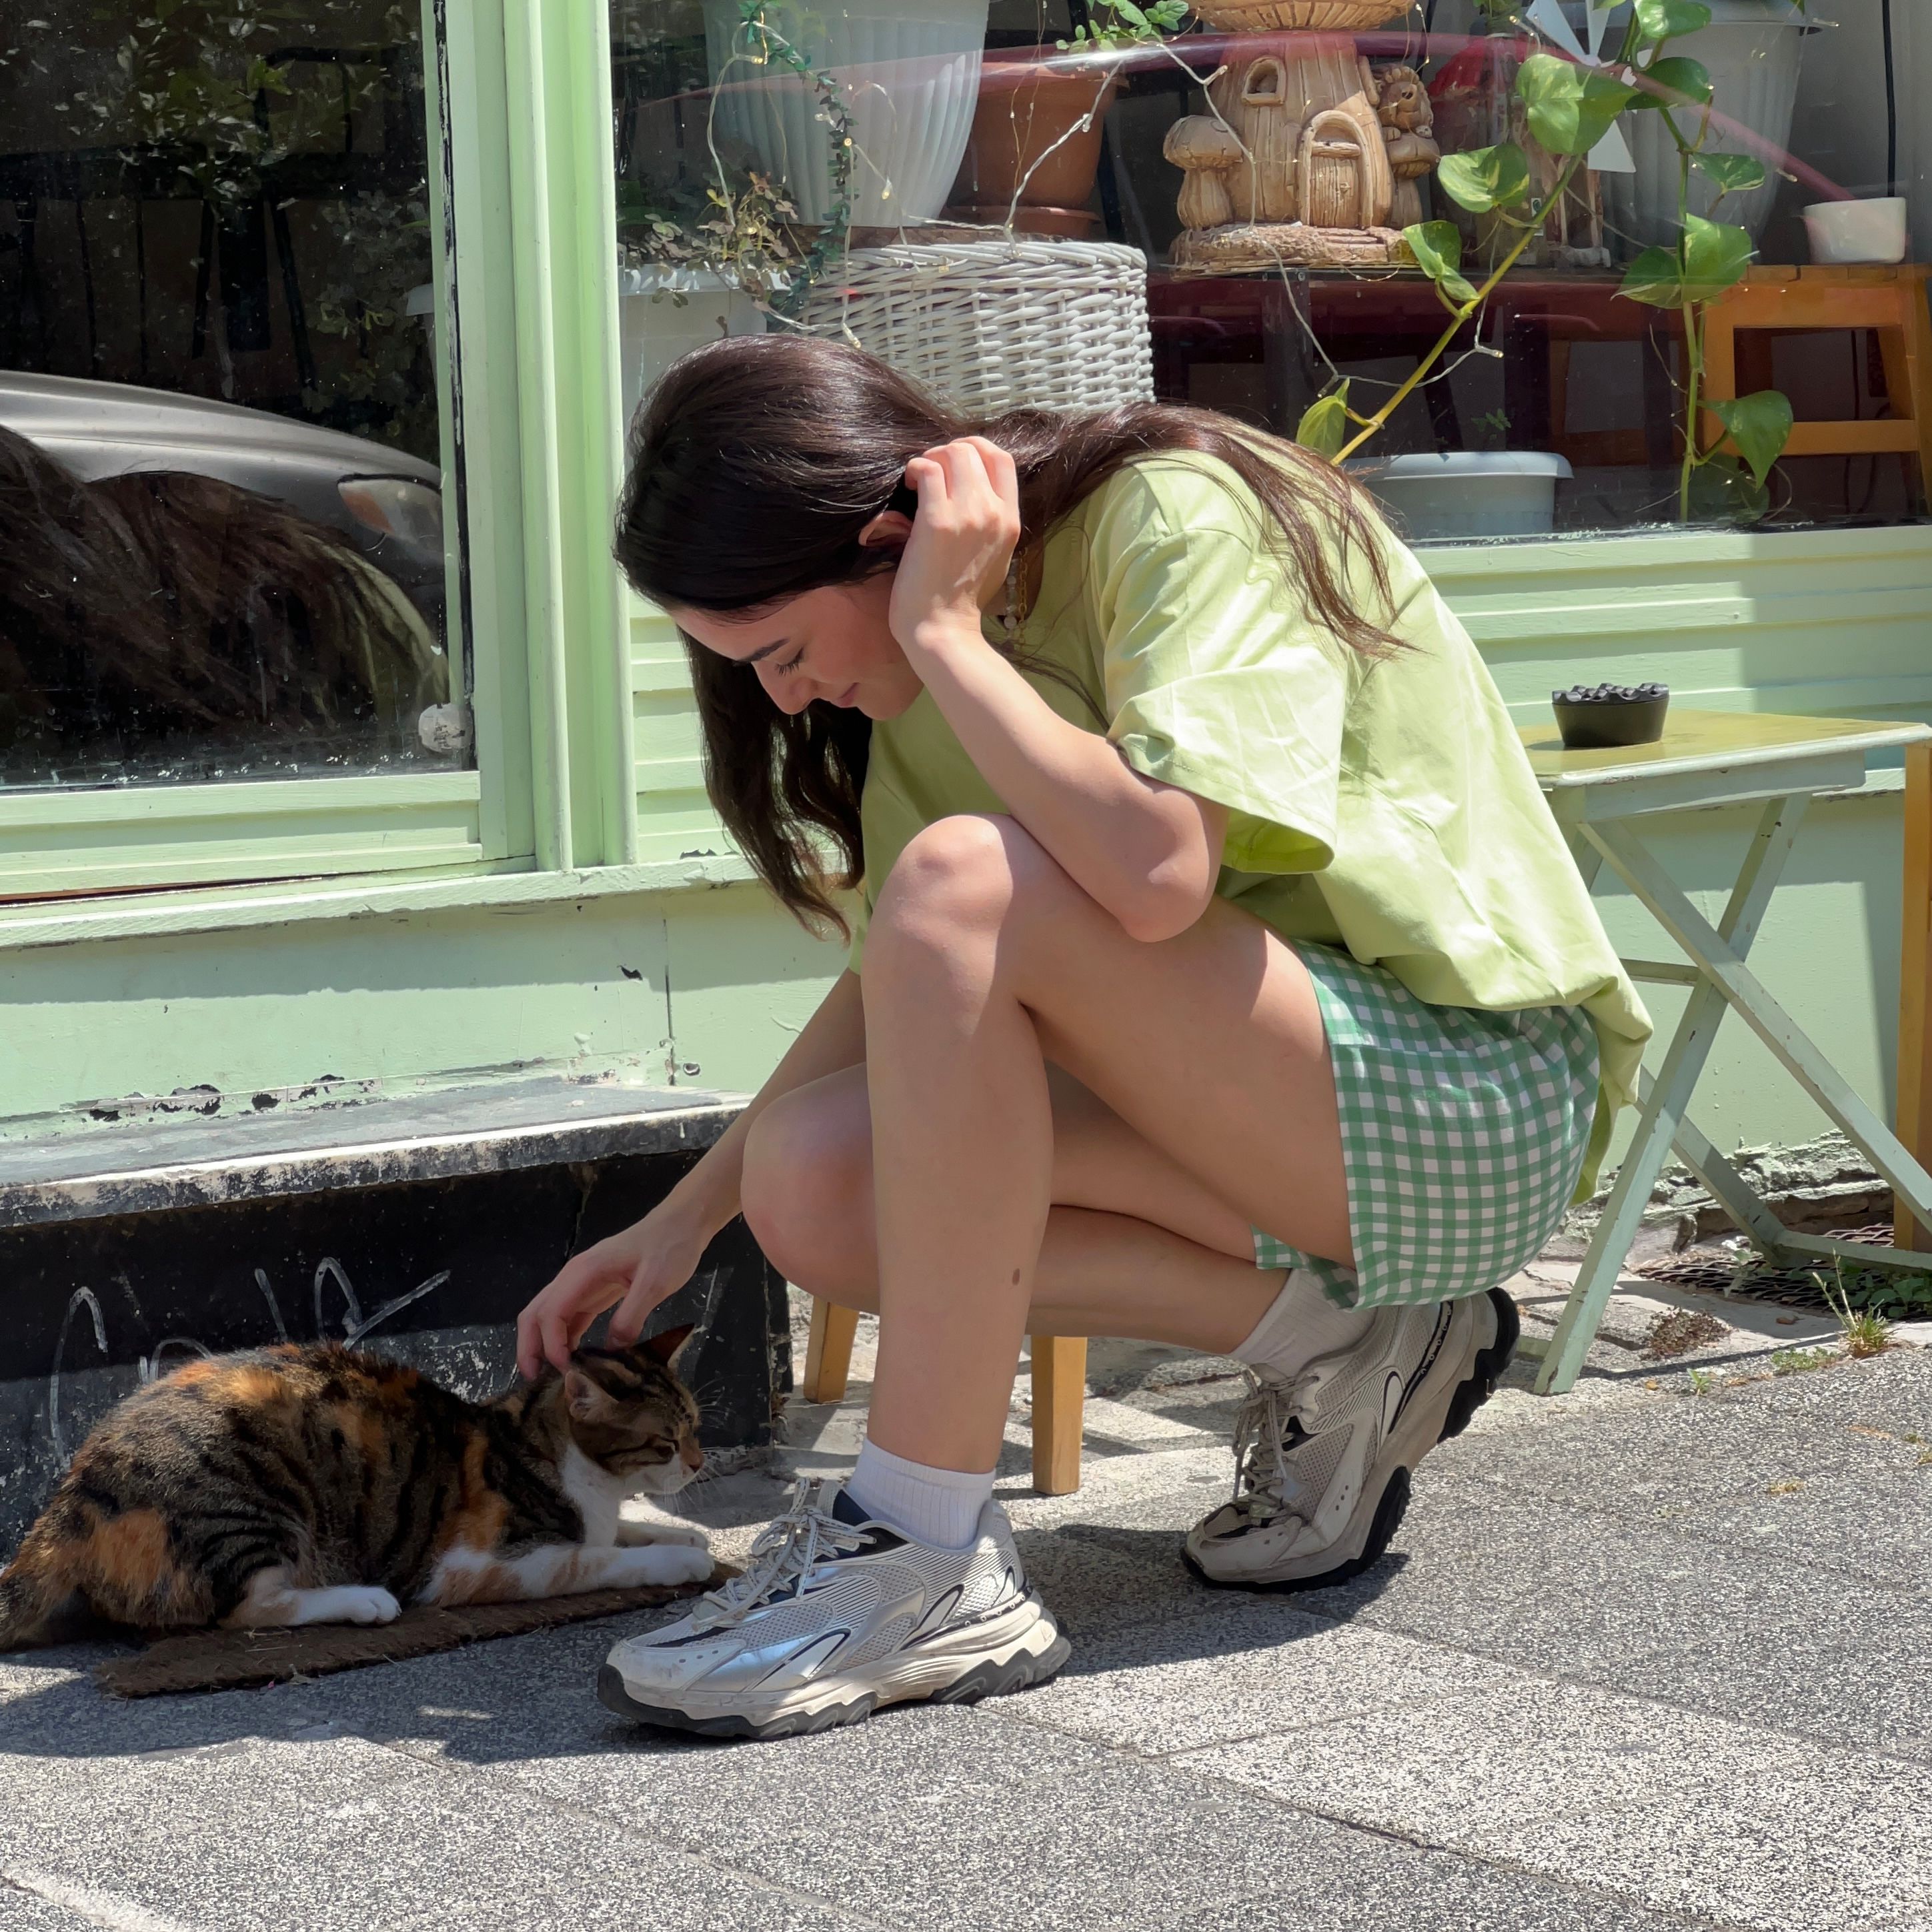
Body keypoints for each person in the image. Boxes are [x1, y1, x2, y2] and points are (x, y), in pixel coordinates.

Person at [516, 335, 1650, 1741]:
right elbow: (898, 981)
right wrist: (682, 1224)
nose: (788, 702)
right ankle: (1354, 1338)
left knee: (959, 878)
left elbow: (1159, 871)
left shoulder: (1170, 513)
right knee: (807, 1183)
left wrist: (945, 631)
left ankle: (923, 1549)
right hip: (1277, 1131)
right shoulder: (916, 699)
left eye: (787, 653)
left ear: (889, 542)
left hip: (1466, 1102)